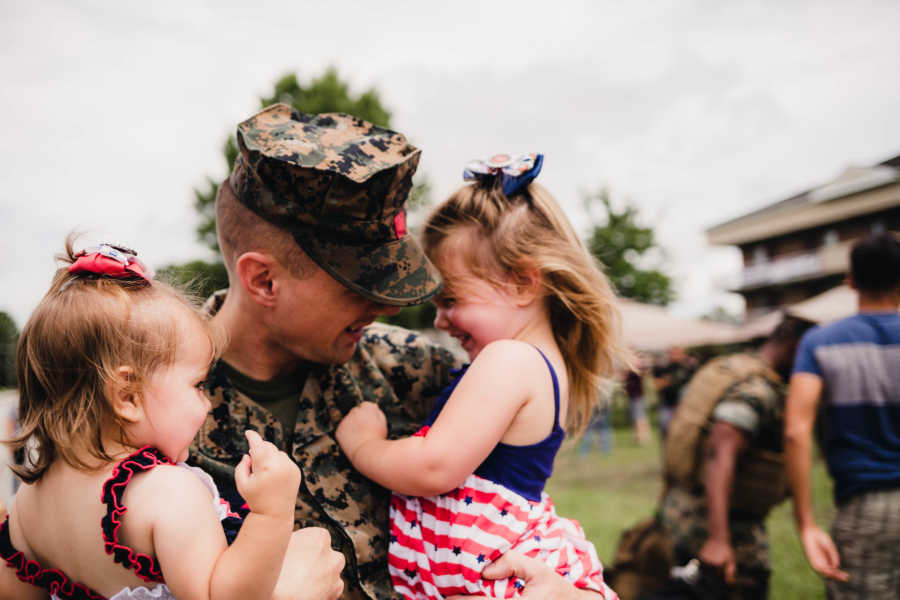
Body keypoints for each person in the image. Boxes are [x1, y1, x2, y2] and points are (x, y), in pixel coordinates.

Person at [188, 105, 606, 600]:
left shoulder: (412, 370)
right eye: (359, 284)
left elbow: (518, 522)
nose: (386, 307)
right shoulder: (146, 407)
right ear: (264, 279)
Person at [334, 153, 623, 599]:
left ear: (524, 283)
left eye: (451, 299)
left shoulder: (511, 359)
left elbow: (435, 466)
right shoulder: (527, 360)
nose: (442, 321)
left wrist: (363, 445)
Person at [0, 240, 312, 600]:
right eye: (197, 385)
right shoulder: (169, 492)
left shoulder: (29, 502)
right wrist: (271, 514)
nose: (207, 404)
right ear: (127, 397)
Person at [611, 317, 812, 600]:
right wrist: (719, 540)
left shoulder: (724, 371)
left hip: (679, 520)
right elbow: (721, 447)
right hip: (724, 537)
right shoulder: (757, 389)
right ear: (796, 347)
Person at [785, 232, 900, 599]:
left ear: (850, 282)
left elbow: (796, 432)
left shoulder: (820, 342)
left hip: (866, 509)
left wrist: (806, 522)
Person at [652, 347, 696, 439]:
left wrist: (668, 381)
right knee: (665, 427)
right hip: (667, 403)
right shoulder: (663, 368)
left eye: (677, 353)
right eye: (672, 353)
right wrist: (667, 381)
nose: (674, 356)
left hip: (683, 406)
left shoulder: (688, 369)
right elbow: (657, 384)